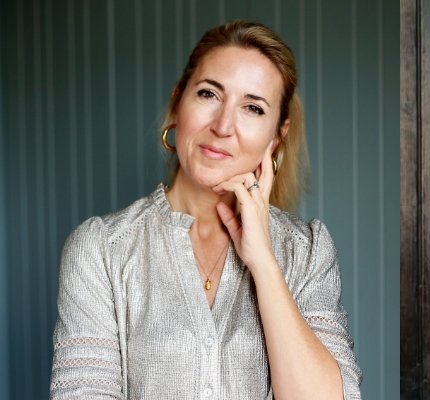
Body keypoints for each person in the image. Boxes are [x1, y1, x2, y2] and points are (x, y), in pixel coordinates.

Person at [50, 20, 362, 399]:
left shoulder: (308, 251)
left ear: (277, 136)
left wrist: (263, 261)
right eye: (209, 94)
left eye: (252, 107)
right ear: (177, 102)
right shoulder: (100, 249)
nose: (223, 125)